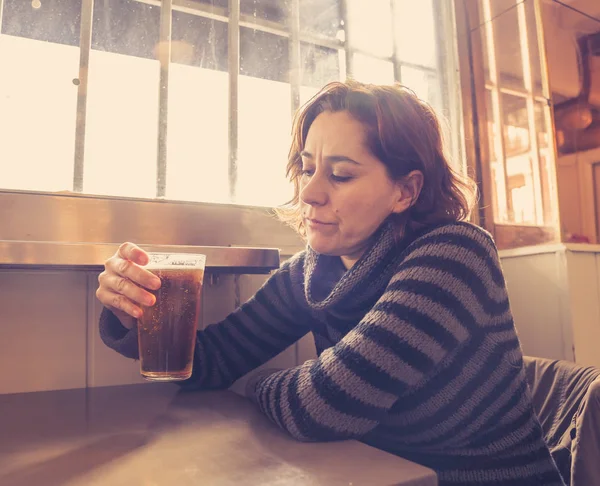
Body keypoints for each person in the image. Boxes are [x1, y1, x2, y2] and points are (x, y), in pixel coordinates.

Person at [96, 80, 565, 485]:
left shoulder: (454, 254)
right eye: (306, 167)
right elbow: (211, 362)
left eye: (340, 174)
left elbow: (325, 405)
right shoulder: (312, 270)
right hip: (381, 475)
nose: (309, 193)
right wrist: (130, 314)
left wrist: (259, 384)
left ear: (406, 191)